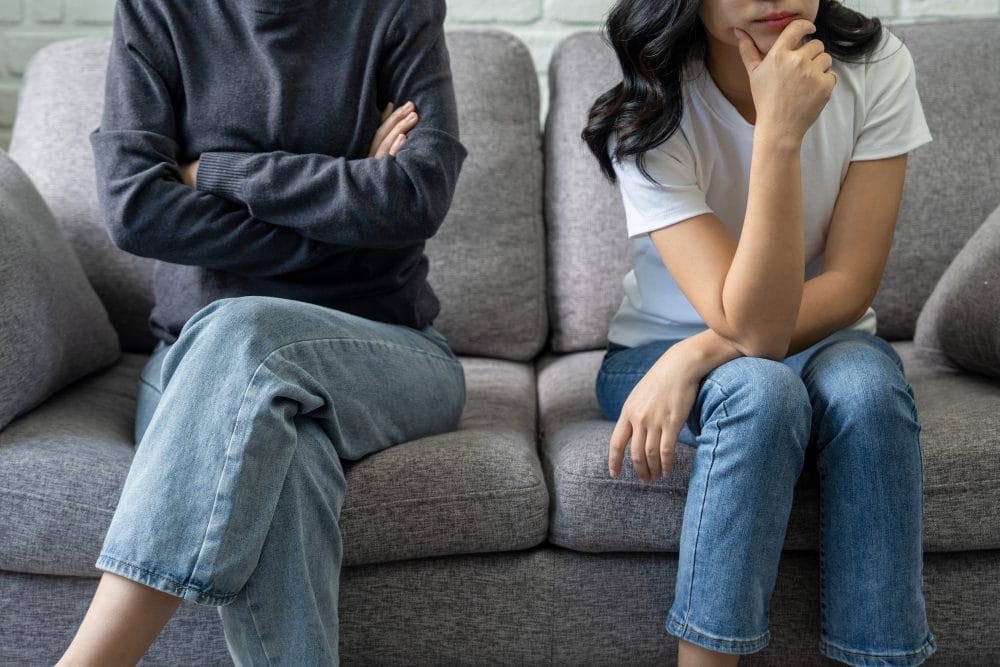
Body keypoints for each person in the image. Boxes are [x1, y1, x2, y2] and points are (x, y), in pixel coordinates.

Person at [57, 0, 466, 664]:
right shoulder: (158, 12)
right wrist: (349, 204)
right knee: (285, 448)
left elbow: (416, 198)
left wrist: (215, 171)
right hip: (194, 358)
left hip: (388, 350)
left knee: (247, 331)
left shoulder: (399, 11)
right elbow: (135, 210)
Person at [583, 0, 935, 665]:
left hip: (818, 332)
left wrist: (701, 352)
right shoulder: (651, 106)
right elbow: (753, 327)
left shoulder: (876, 66)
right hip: (656, 347)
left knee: (867, 388)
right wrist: (778, 133)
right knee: (761, 390)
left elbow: (851, 282)